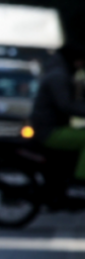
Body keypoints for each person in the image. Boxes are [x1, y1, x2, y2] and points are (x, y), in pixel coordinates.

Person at [31, 42, 85, 182]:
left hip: (51, 128)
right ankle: (80, 181)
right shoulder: (59, 76)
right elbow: (66, 105)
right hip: (49, 131)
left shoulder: (59, 72)